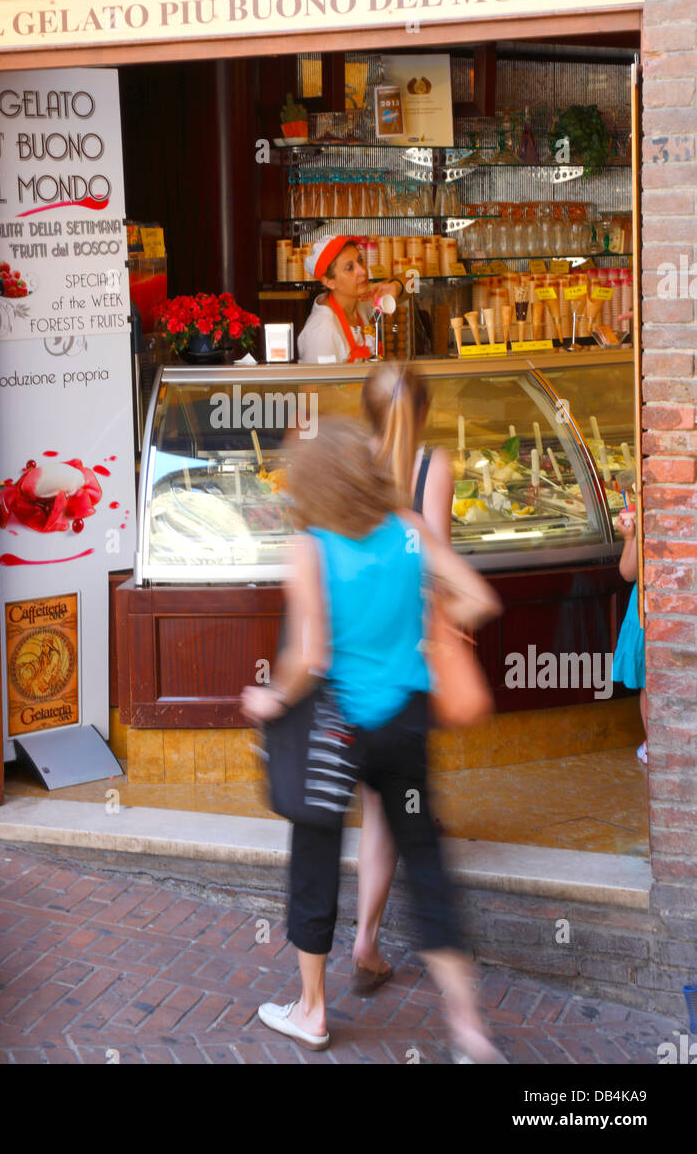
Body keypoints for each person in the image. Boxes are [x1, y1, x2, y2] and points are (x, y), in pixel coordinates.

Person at [241, 417, 504, 1060]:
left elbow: (311, 654)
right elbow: (478, 597)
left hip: (336, 733)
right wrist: (432, 626)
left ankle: (312, 1010)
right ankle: (467, 1026)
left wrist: (271, 697)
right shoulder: (411, 534)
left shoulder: (310, 548)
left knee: (315, 855)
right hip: (404, 728)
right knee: (425, 858)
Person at [350, 361, 455, 990]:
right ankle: (366, 941)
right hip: (405, 652)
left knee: (375, 806)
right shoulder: (428, 466)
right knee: (395, 807)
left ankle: (367, 936)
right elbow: (435, 561)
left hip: (356, 647)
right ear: (420, 412)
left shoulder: (350, 461)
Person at [297, 235, 403, 364]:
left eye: (360, 260)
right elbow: (314, 384)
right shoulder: (322, 332)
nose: (363, 271)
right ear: (329, 282)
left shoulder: (359, 302)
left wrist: (396, 287)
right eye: (349, 268)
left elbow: (413, 281)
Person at [612, 505, 647, 762]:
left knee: (652, 683)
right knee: (651, 682)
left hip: (655, 608)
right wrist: (630, 537)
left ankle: (657, 745)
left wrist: (631, 538)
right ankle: (654, 744)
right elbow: (628, 572)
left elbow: (627, 573)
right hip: (647, 609)